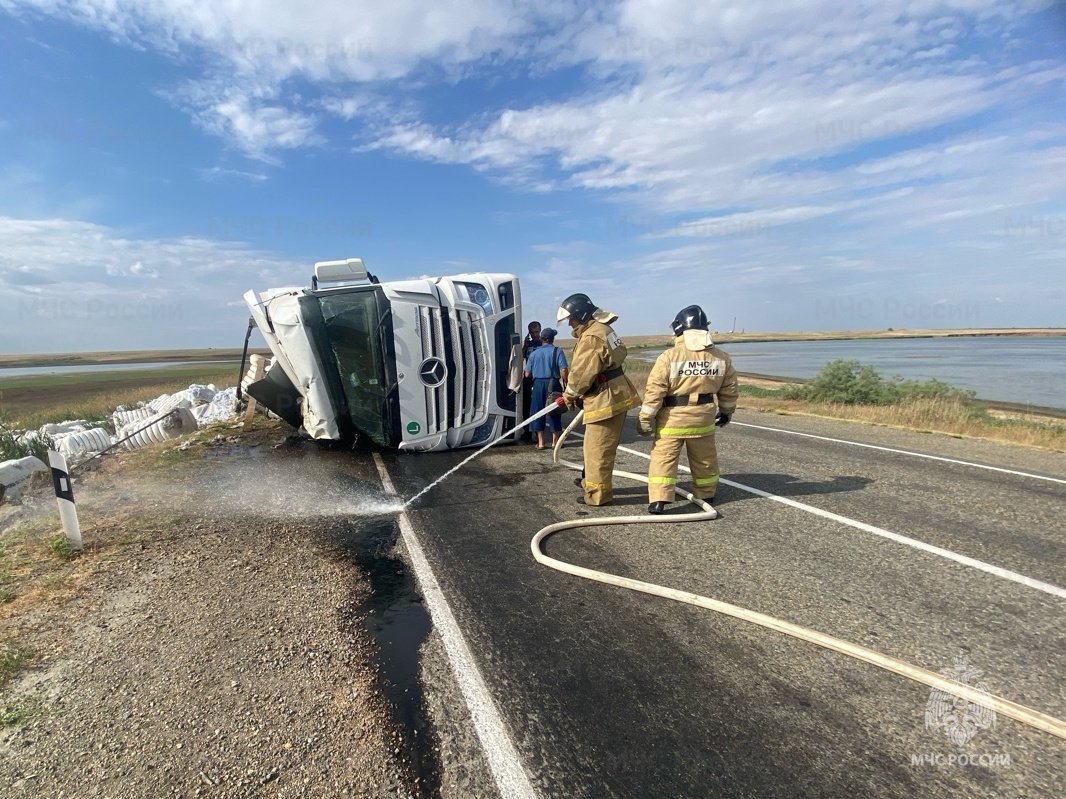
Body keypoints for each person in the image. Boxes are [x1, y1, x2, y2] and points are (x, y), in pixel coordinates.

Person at [637, 305, 738, 514]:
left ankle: (659, 500)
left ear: (679, 329)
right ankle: (706, 493)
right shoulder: (721, 357)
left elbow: (655, 390)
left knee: (663, 459)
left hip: (673, 419)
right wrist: (727, 412)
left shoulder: (669, 357)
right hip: (704, 418)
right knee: (705, 459)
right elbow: (729, 390)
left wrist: (646, 417)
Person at [555, 293, 640, 505]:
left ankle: (597, 496)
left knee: (597, 450)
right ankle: (590, 482)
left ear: (582, 315)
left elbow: (581, 375)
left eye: (572, 319)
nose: (570, 324)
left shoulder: (592, 337)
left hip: (605, 399)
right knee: (595, 446)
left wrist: (568, 397)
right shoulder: (604, 330)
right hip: (613, 394)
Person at [524, 327, 569, 449]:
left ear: (542, 339)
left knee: (538, 412)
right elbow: (563, 369)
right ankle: (555, 442)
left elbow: (527, 374)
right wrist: (566, 381)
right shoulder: (557, 351)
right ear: (553, 339)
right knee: (554, 411)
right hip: (553, 383)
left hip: (538, 384)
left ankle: (540, 442)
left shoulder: (534, 353)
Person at [519, 321, 543, 441]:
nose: (534, 334)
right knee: (526, 406)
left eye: (536, 332)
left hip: (540, 378)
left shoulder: (543, 343)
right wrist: (525, 345)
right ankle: (527, 432)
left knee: (539, 406)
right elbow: (521, 357)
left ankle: (539, 435)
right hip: (528, 378)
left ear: (540, 331)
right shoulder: (528, 344)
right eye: (532, 332)